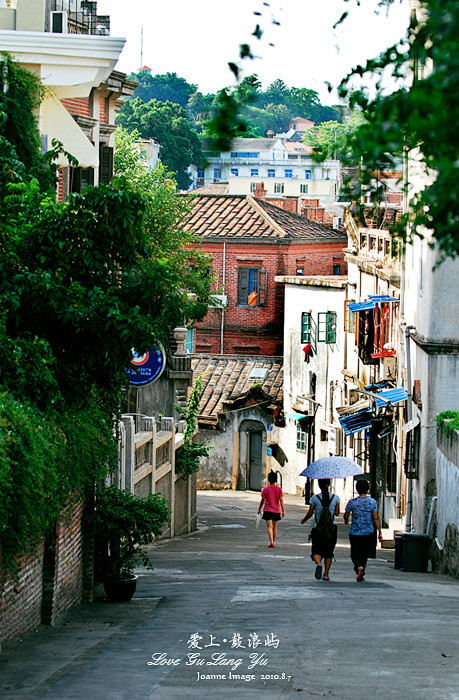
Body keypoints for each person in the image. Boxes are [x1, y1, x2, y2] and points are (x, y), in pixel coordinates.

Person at [344, 479, 383, 582]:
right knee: (364, 553)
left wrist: (346, 520)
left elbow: (346, 514)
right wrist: (379, 531)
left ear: (357, 489)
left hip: (355, 532)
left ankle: (358, 567)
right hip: (368, 532)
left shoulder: (352, 502)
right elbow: (376, 517)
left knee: (354, 552)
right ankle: (362, 568)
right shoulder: (372, 502)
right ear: (368, 489)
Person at [301, 478, 340, 581]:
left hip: (317, 528)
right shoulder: (335, 498)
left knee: (316, 550)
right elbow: (336, 513)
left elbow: (310, 513)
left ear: (319, 485)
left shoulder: (314, 498)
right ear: (329, 484)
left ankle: (318, 564)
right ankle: (326, 574)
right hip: (331, 528)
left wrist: (303, 520)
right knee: (329, 552)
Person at [258, 470, 285, 547]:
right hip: (276, 510)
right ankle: (274, 541)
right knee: (275, 527)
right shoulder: (279, 489)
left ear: (268, 479)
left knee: (269, 526)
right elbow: (281, 500)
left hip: (267, 510)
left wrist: (259, 509)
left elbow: (262, 500)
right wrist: (283, 510)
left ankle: (271, 541)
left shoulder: (266, 489)